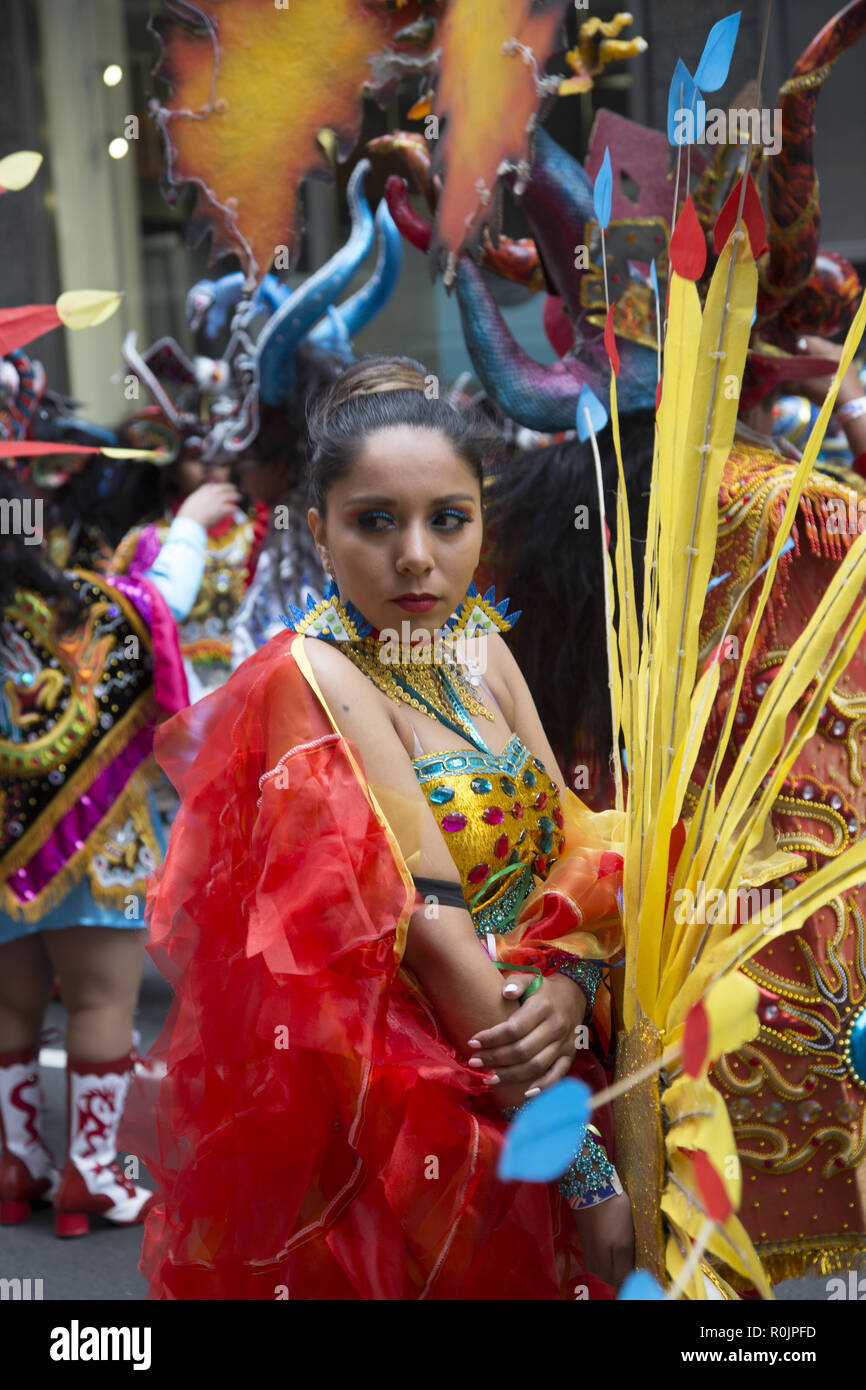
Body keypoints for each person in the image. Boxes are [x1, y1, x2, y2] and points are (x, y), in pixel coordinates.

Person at [128, 356, 632, 1300]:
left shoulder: (480, 646)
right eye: (375, 522)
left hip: (561, 1053)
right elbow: (435, 930)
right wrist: (583, 1164)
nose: (415, 555)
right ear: (318, 533)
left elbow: (581, 833)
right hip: (433, 1103)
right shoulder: (313, 681)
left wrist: (571, 978)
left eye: (448, 519)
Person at [0, 469, 240, 1237]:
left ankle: (16, 1165)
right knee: (102, 1001)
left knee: (9, 1006)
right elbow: (164, 598)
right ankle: (91, 1173)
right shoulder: (92, 609)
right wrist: (194, 523)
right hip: (93, 847)